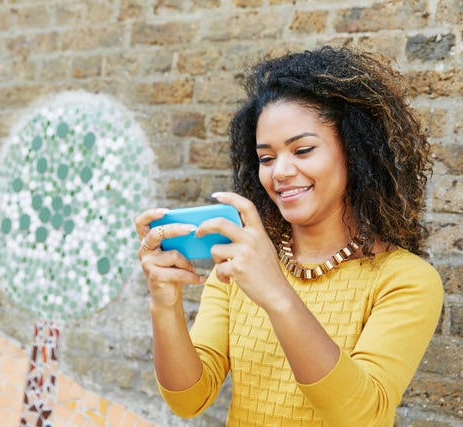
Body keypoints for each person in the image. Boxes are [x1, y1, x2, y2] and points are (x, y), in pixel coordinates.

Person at [135, 46, 443, 426]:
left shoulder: (404, 280)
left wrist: (277, 293)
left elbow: (362, 415)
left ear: (354, 151)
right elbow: (189, 399)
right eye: (266, 158)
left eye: (303, 149)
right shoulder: (237, 269)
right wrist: (164, 304)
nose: (280, 171)